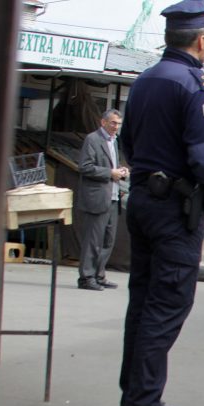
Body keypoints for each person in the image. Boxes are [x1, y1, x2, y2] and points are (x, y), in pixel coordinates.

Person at [117, 0, 204, 406]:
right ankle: (144, 404)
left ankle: (135, 396)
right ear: (201, 40)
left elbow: (126, 140)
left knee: (142, 302)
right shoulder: (194, 84)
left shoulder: (145, 79)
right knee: (167, 305)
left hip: (142, 199)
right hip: (175, 206)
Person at [76, 109, 128, 291]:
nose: (116, 127)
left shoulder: (114, 141)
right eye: (113, 123)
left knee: (108, 240)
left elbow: (112, 166)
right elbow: (85, 167)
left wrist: (120, 171)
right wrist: (110, 173)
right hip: (97, 198)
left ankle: (99, 275)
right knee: (93, 240)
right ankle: (86, 277)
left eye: (118, 124)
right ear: (103, 122)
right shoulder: (93, 139)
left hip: (113, 197)